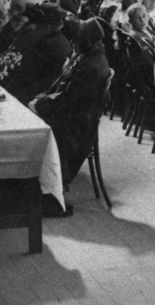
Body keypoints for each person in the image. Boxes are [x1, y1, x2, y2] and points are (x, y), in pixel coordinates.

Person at [31, 18, 111, 207]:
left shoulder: (93, 66)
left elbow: (71, 102)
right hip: (74, 113)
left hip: (78, 124)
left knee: (35, 122)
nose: (73, 42)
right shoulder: (87, 56)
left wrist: (41, 104)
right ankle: (36, 182)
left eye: (77, 39)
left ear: (89, 41)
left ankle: (49, 191)